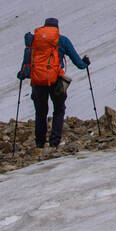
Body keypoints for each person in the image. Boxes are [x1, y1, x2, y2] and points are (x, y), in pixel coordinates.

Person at [19, 17, 89, 149]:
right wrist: (84, 64)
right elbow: (78, 62)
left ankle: (40, 143)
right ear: (57, 28)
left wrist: (22, 74)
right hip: (55, 80)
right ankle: (54, 142)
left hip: (37, 81)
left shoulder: (34, 40)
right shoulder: (61, 40)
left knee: (40, 112)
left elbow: (27, 59)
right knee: (59, 109)